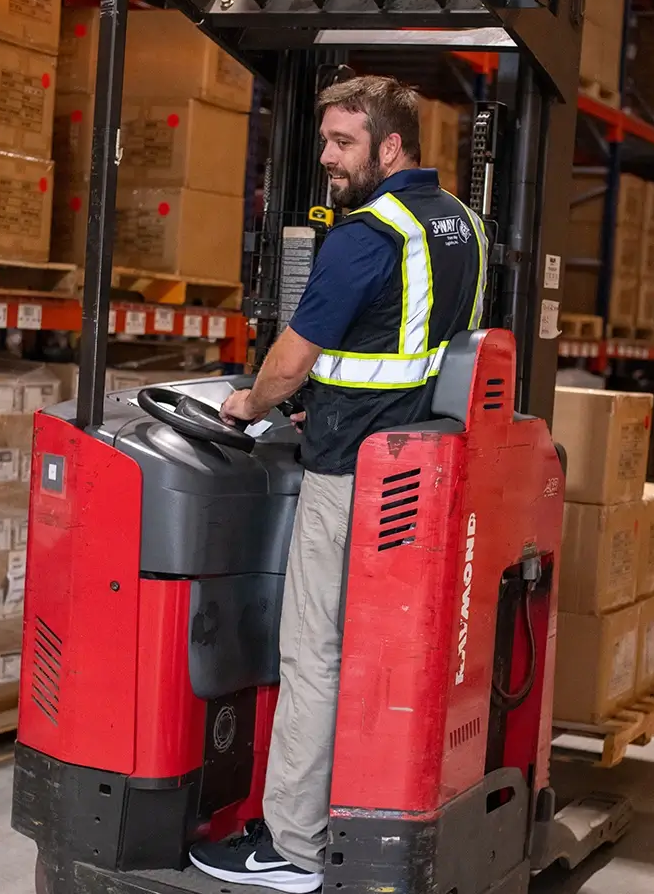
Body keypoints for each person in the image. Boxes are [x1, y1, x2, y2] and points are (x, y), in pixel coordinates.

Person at [190, 75, 488, 892]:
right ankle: (362, 817)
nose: (326, 157)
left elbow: (293, 356)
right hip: (420, 472)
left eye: (343, 143)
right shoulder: (463, 226)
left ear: (391, 147)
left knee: (313, 653)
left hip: (347, 473)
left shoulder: (366, 235)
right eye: (324, 141)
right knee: (382, 655)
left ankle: (291, 844)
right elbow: (416, 344)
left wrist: (253, 402)